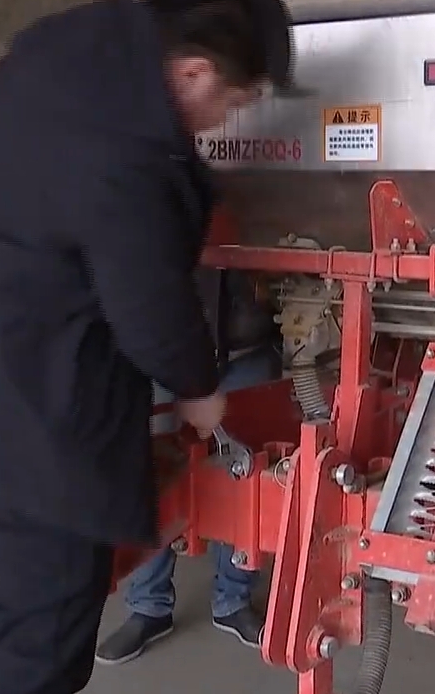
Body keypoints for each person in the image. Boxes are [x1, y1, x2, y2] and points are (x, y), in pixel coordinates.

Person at [0, 0, 298, 694]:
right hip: (20, 404)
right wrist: (199, 388)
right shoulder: (127, 152)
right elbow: (147, 303)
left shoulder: (78, 44)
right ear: (195, 73)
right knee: (40, 626)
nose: (229, 121)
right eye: (235, 102)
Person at [96, 270, 280, 665]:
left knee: (245, 470)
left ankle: (233, 600)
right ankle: (149, 606)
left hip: (246, 347)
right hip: (163, 353)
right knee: (153, 471)